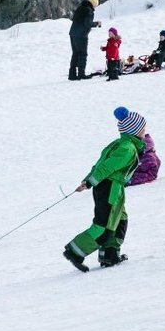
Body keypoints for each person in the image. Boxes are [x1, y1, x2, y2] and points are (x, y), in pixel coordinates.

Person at [63, 107, 147, 272]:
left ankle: (109, 255)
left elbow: (99, 164)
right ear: (135, 131)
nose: (145, 132)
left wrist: (88, 180)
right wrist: (90, 182)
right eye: (143, 129)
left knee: (119, 220)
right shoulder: (127, 148)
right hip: (109, 188)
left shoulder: (122, 144)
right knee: (104, 225)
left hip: (115, 188)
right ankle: (75, 251)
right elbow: (105, 167)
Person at [68, 0, 101, 81]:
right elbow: (87, 24)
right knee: (83, 54)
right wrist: (96, 23)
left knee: (75, 54)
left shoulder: (80, 8)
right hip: (81, 35)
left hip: (72, 33)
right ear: (94, 5)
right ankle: (81, 74)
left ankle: (72, 75)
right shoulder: (89, 11)